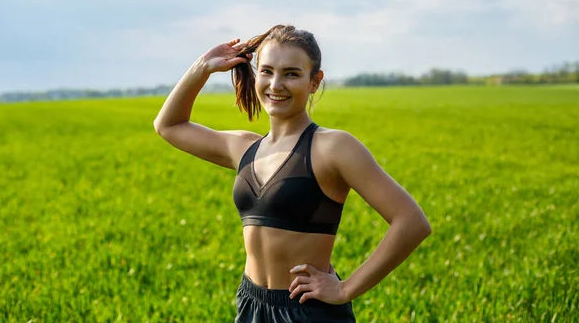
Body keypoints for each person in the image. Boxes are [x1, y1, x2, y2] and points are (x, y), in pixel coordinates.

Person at [153, 24, 432, 322]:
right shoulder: (243, 147)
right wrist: (203, 67)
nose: (275, 84)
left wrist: (345, 289)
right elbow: (169, 126)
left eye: (291, 74)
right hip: (251, 304)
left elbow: (412, 222)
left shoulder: (333, 147)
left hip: (306, 311)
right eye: (267, 71)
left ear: (314, 82)